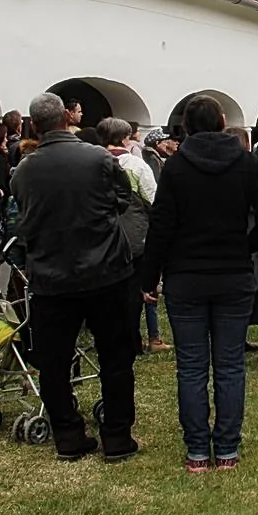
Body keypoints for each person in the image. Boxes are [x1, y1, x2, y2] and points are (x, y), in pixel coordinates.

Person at [142, 94, 258, 471]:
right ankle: (227, 449)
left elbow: (161, 225)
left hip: (186, 275)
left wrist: (149, 275)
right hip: (231, 274)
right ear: (221, 122)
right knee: (230, 364)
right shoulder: (245, 162)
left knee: (191, 366)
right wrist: (247, 246)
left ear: (186, 126)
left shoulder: (175, 167)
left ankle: (199, 450)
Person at [8, 93, 139, 462]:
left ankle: (68, 434)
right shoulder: (98, 158)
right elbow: (122, 199)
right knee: (115, 356)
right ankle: (116, 435)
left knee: (54, 361)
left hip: (52, 276)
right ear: (68, 117)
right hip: (106, 271)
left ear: (34, 126)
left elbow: (23, 216)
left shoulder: (25, 169)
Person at [98, 117, 165, 353]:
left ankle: (108, 337)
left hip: (101, 235)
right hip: (133, 234)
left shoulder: (93, 161)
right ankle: (132, 338)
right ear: (125, 138)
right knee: (133, 289)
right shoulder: (136, 166)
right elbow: (153, 199)